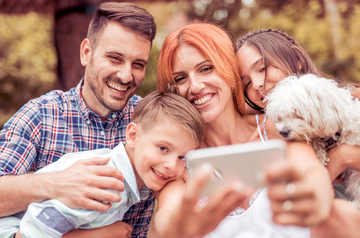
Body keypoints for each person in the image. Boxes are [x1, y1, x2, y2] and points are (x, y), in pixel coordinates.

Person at [150, 23, 333, 238]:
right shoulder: (177, 163)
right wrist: (177, 228)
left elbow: (312, 170)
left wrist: (319, 194)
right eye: (181, 78)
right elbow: (167, 218)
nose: (195, 86)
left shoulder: (276, 127)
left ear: (228, 68)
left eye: (206, 68)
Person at [0, 2, 157, 237]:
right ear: (86, 53)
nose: (126, 75)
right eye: (115, 58)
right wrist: (55, 183)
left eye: (138, 64)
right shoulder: (40, 115)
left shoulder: (150, 121)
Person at [0, 90, 204, 238]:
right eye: (163, 148)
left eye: (182, 157)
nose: (171, 165)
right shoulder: (105, 182)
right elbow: (35, 227)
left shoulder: (127, 176)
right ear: (132, 135)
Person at [235, 28, 360, 238]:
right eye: (246, 82)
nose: (256, 84)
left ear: (297, 59)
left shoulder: (352, 100)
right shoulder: (269, 133)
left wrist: (344, 156)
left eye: (263, 68)